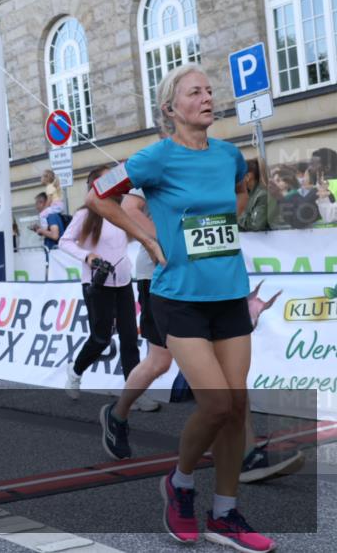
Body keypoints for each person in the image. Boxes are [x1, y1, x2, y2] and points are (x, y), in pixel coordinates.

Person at [86, 63, 275, 551]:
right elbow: (98, 197)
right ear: (171, 108)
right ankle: (180, 484)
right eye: (196, 92)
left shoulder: (230, 154)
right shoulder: (155, 159)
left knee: (236, 406)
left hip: (230, 291)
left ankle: (226, 513)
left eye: (210, 91)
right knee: (214, 403)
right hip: (179, 298)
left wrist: (224, 223)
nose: (209, 98)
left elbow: (239, 190)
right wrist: (149, 239)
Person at [60, 167, 140, 400]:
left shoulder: (121, 209)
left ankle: (133, 393)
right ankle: (75, 371)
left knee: (129, 338)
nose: (115, 181)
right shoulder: (85, 214)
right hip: (97, 283)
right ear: (96, 183)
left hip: (123, 282)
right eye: (108, 177)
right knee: (101, 338)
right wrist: (88, 256)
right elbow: (64, 242)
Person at [238, 158, 268, 232]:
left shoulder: (262, 195)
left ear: (248, 177)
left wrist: (238, 215)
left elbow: (256, 224)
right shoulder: (246, 194)